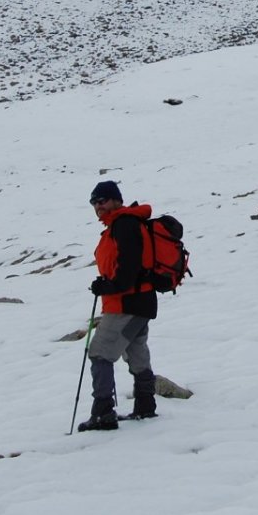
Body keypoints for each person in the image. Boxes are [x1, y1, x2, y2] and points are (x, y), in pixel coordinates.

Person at [78, 179, 159, 431]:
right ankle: (145, 405)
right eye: (94, 202)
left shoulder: (124, 225)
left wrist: (108, 287)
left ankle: (103, 413)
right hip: (140, 302)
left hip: (126, 303)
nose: (98, 206)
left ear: (116, 200)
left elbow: (128, 270)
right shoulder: (123, 224)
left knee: (100, 353)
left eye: (102, 200)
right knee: (136, 351)